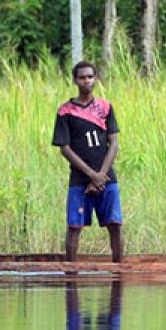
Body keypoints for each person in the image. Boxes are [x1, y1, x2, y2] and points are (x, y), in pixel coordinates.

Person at [52, 61, 123, 262]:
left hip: (107, 178)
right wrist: (92, 176)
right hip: (79, 180)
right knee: (74, 227)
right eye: (82, 77)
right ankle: (71, 272)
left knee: (115, 225)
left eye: (90, 77)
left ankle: (118, 270)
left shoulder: (105, 107)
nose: (86, 81)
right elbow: (65, 148)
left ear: (96, 79)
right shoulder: (65, 111)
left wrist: (101, 175)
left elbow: (114, 144)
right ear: (75, 80)